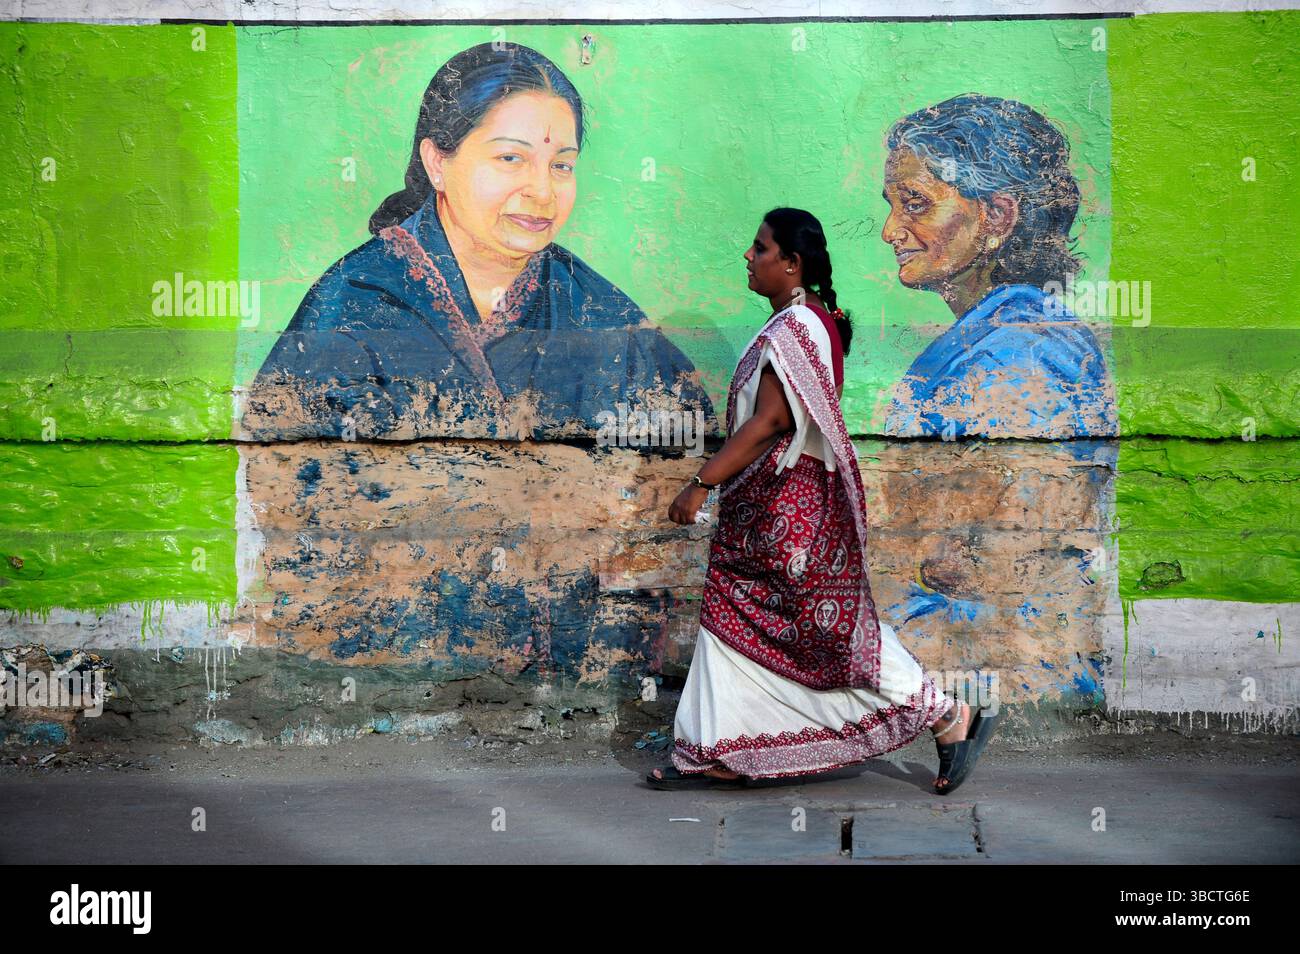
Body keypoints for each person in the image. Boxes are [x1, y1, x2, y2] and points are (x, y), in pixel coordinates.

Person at [647, 208, 997, 793]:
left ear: (792, 263)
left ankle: (946, 714)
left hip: (792, 513)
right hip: (763, 508)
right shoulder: (801, 322)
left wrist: (701, 482)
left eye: (760, 248)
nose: (749, 258)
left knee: (831, 630)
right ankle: (722, 746)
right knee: (730, 618)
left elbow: (771, 421)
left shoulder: (799, 328)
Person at [241, 42, 713, 442]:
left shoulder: (598, 310)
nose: (542, 191)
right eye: (511, 157)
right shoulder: (356, 301)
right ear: (437, 161)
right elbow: (288, 485)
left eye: (562, 165)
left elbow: (689, 442)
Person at [880, 93, 1116, 439]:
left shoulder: (1017, 357)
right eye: (893, 205)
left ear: (997, 217)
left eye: (915, 203)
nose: (890, 232)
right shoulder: (1009, 335)